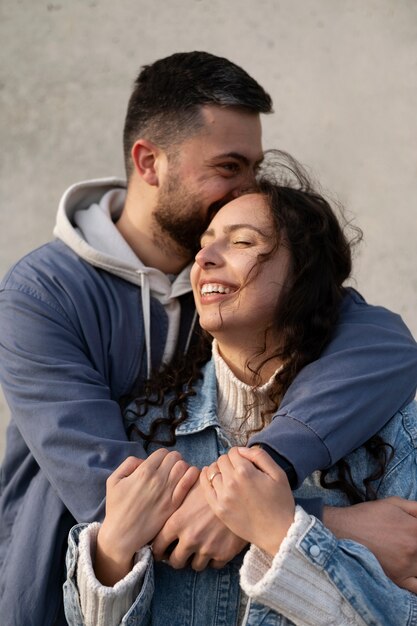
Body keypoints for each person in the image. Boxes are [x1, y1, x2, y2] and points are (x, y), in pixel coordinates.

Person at [0, 52, 416, 625]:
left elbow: (385, 344)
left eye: (254, 167)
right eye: (229, 167)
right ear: (149, 162)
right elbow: (120, 507)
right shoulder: (43, 296)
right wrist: (322, 523)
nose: (248, 186)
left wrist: (265, 473)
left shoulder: (255, 287)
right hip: (52, 595)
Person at [64, 164, 417, 625]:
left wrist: (280, 531)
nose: (205, 257)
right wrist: (110, 556)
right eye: (205, 242)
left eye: (243, 242)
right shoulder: (145, 428)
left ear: (304, 275)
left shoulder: (394, 431)